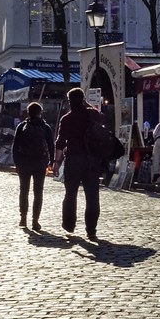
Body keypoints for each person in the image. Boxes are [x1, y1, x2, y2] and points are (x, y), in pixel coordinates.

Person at [55, 87, 111, 242]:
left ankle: (69, 225)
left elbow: (60, 142)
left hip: (73, 159)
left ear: (69, 101)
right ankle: (91, 230)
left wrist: (56, 162)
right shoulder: (92, 114)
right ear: (83, 99)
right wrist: (87, 105)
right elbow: (101, 116)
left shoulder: (66, 119)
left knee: (70, 194)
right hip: (91, 160)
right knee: (92, 196)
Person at [13, 101, 54, 231]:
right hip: (39, 163)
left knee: (23, 191)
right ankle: (35, 221)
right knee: (38, 192)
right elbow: (51, 145)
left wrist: (16, 163)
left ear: (28, 112)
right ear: (40, 113)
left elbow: (15, 146)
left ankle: (23, 217)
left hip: (24, 162)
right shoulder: (45, 126)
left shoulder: (21, 126)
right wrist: (51, 161)